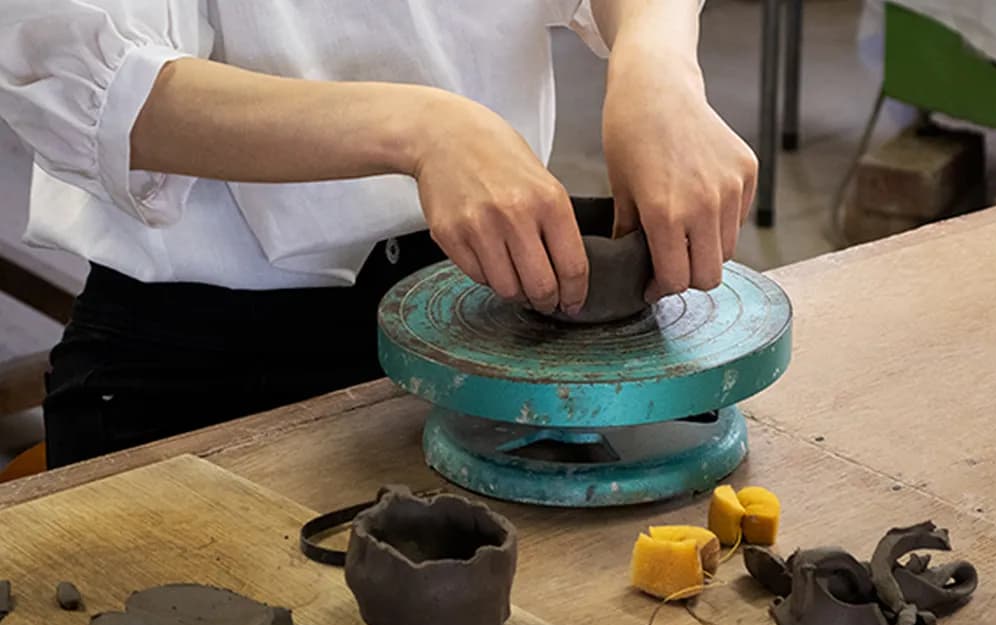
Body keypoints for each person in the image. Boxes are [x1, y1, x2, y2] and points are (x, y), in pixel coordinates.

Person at [0, 1, 758, 468]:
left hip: (489, 316)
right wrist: (423, 129)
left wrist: (656, 66)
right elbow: (90, 89)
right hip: (204, 362)